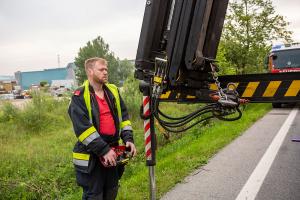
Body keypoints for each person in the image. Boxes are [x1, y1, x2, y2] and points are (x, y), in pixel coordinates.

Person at [68, 57, 137, 200]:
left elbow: (123, 117)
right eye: (101, 69)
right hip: (92, 155)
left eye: (106, 69)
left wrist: (128, 139)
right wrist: (104, 150)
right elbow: (83, 129)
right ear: (90, 71)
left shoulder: (113, 91)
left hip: (112, 152)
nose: (105, 72)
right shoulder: (79, 96)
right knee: (95, 196)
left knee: (111, 192)